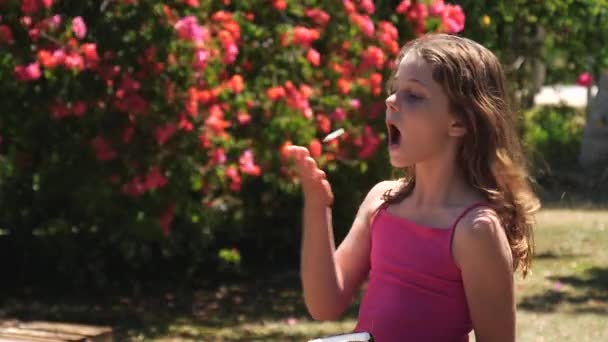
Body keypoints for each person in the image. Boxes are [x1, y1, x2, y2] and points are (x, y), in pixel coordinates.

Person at [286, 33, 540, 342]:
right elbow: (324, 304)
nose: (391, 100)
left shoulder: (476, 229)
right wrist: (316, 206)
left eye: (414, 95)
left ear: (458, 123)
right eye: (394, 91)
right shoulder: (381, 201)